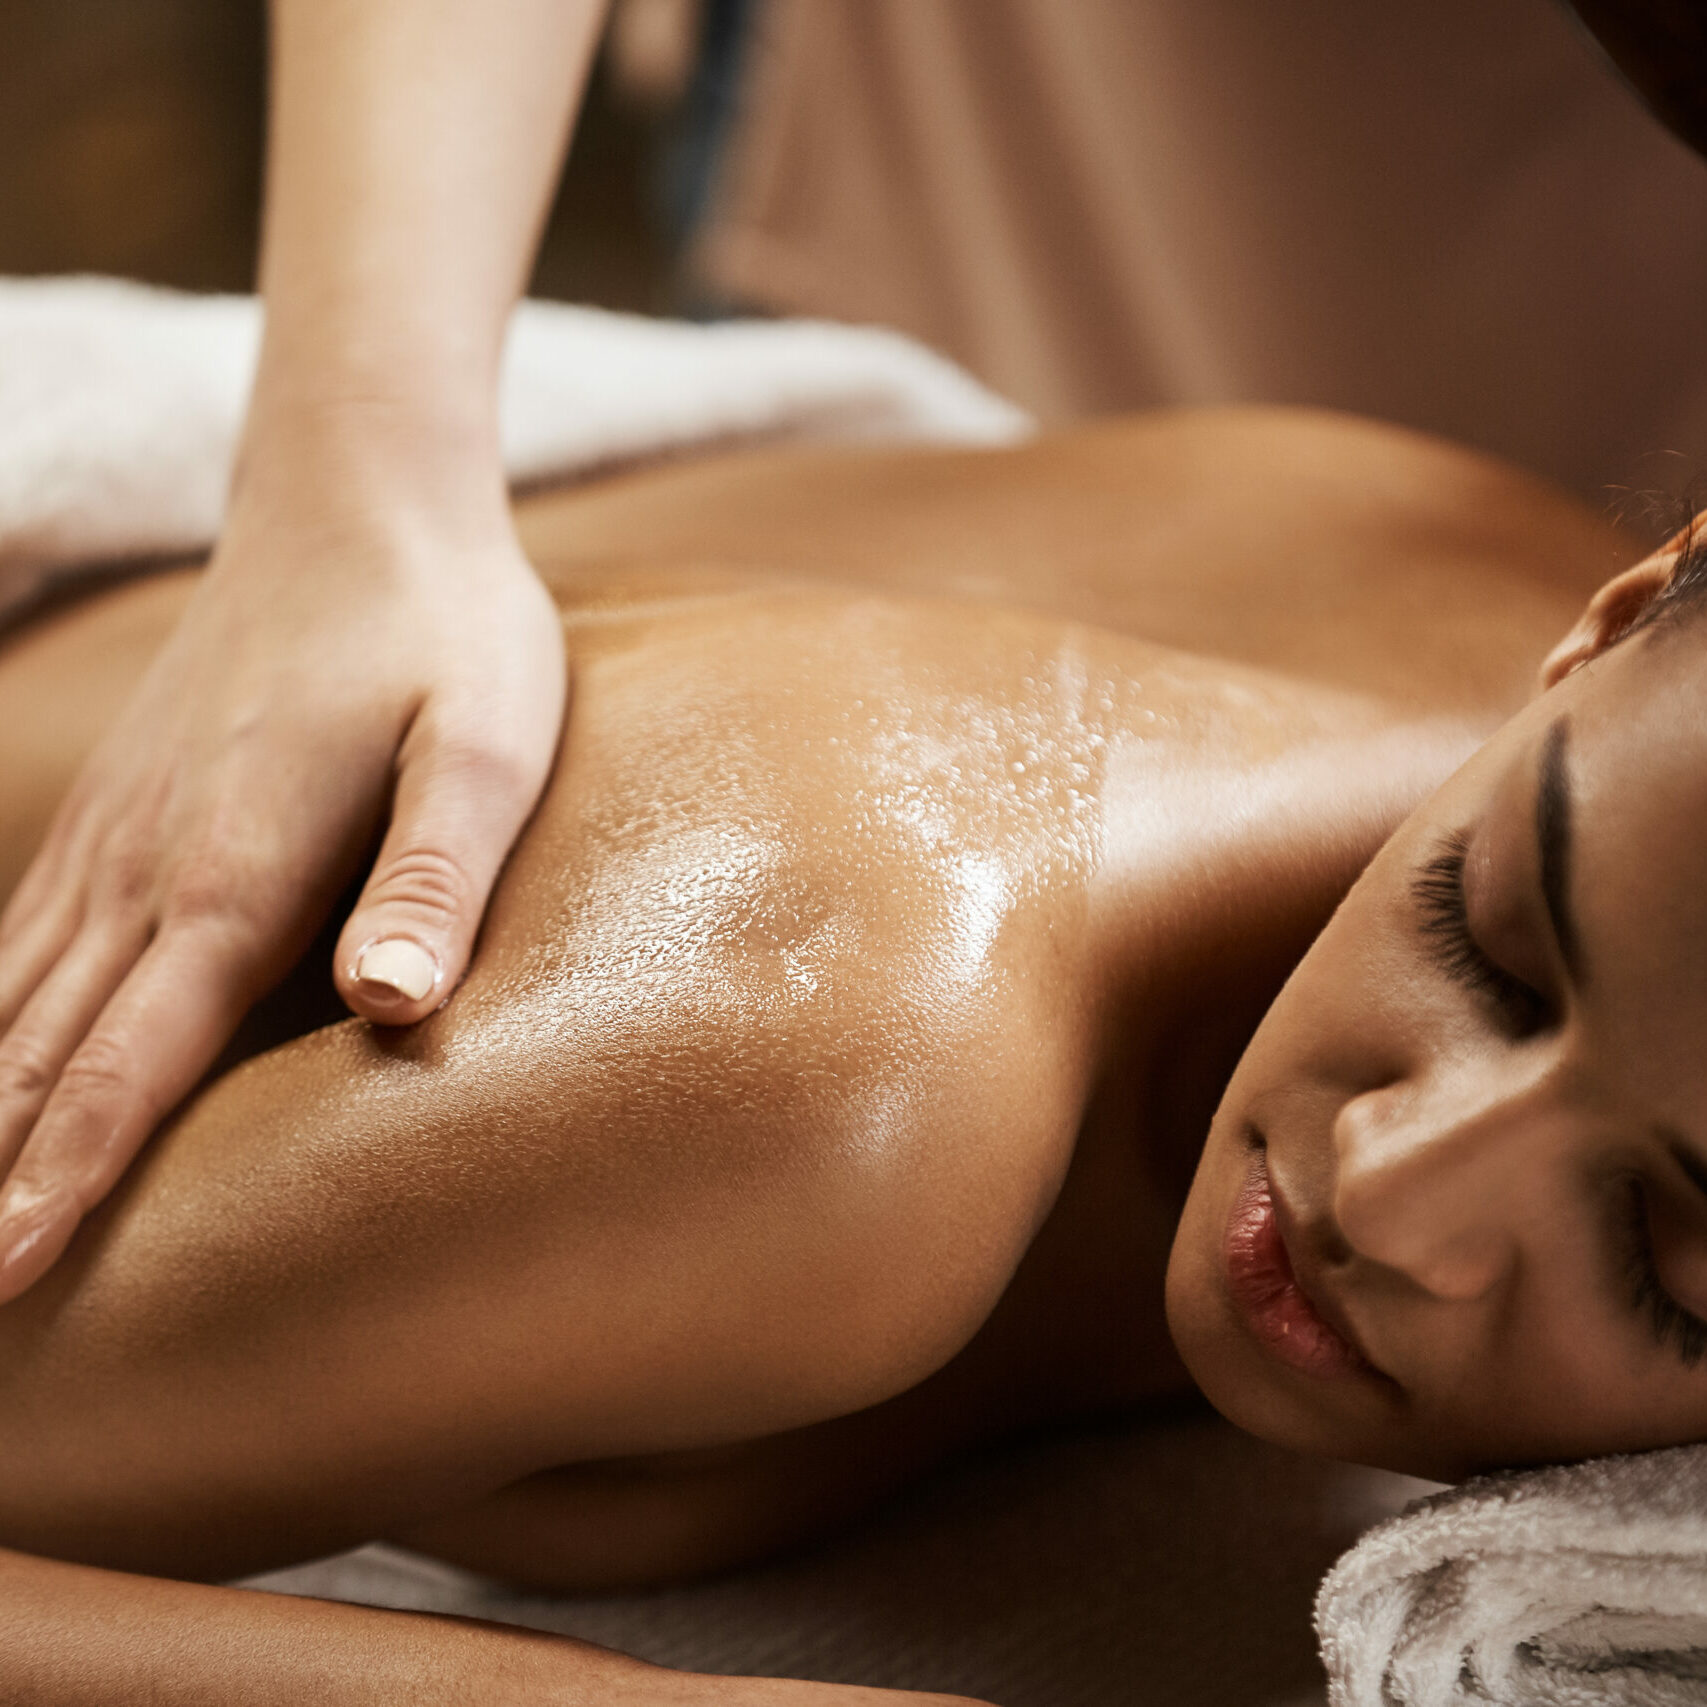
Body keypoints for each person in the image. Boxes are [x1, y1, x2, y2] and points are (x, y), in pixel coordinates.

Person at [3, 402, 1705, 1701]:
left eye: (1661, 1254)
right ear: (1613, 625)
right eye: (1485, 938)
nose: (1394, 1194)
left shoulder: (1524, 602)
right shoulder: (839, 1089)